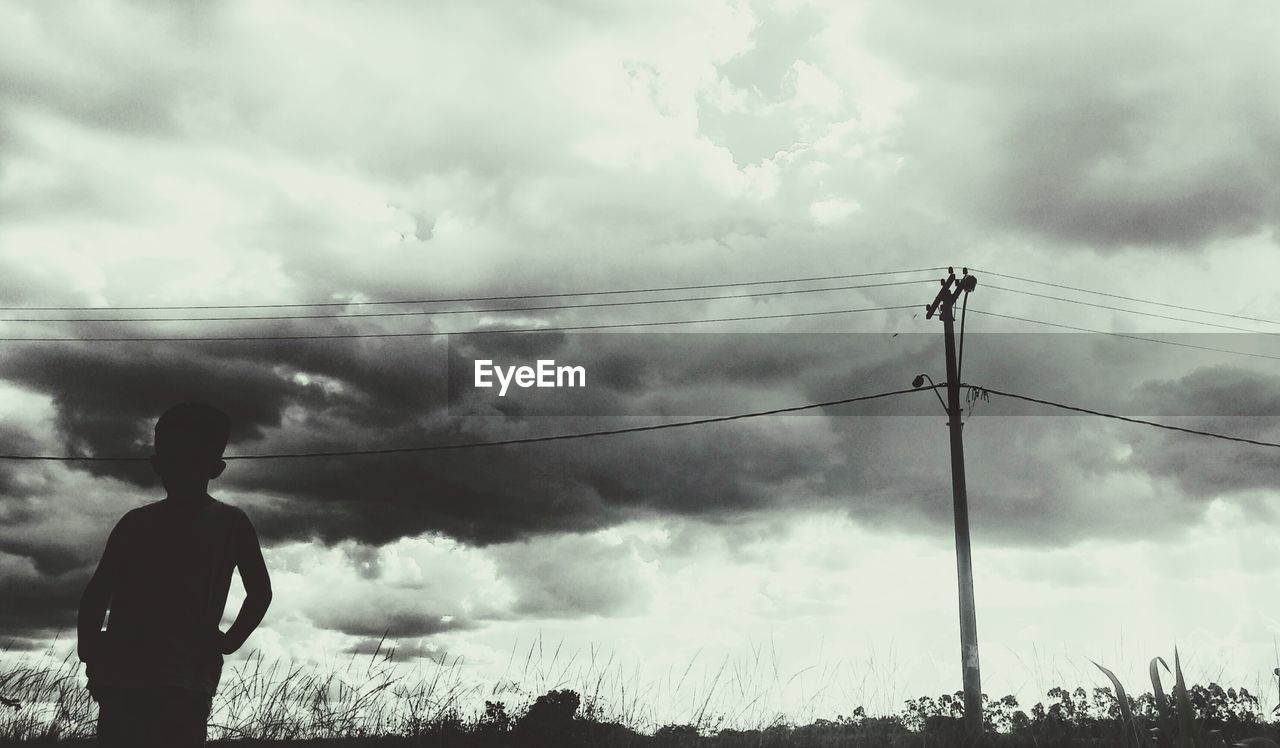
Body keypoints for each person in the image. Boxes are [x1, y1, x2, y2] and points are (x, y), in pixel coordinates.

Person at [77, 402, 272, 747]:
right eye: (176, 460)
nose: (183, 469)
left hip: (158, 677)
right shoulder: (224, 524)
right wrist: (92, 653)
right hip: (158, 677)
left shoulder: (142, 523)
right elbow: (97, 593)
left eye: (192, 460)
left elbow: (97, 594)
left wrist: (92, 652)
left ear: (215, 467)